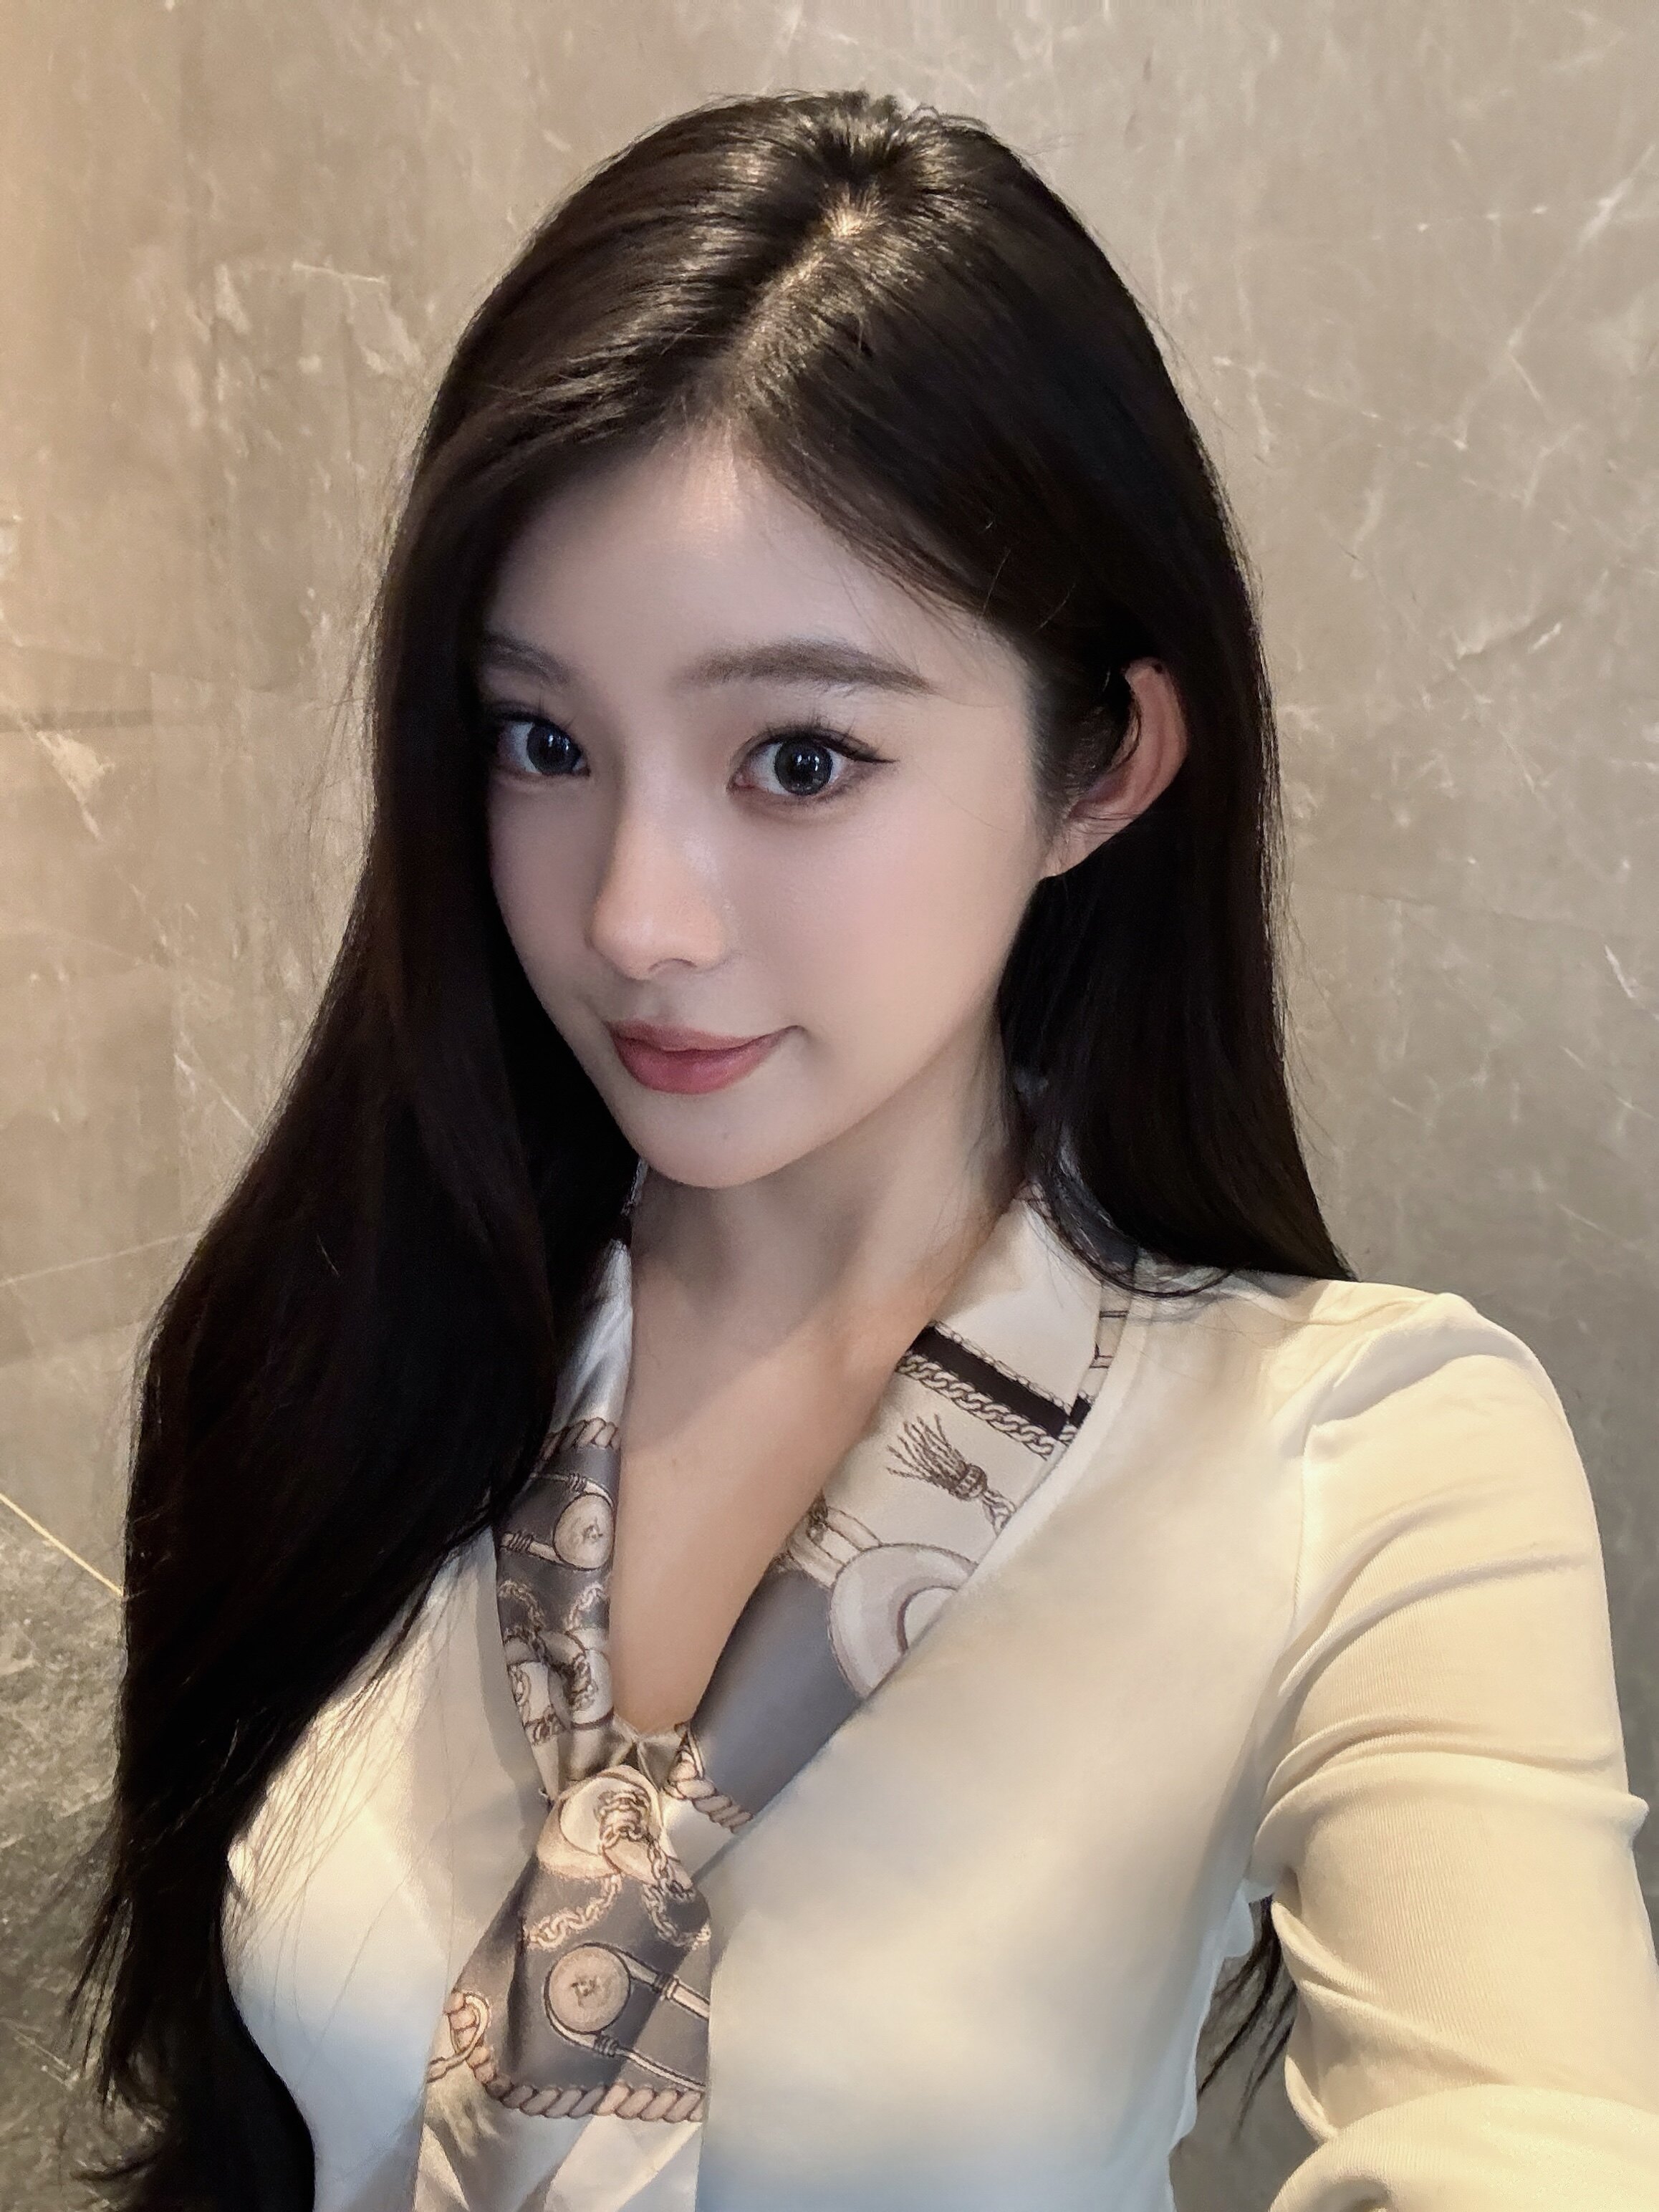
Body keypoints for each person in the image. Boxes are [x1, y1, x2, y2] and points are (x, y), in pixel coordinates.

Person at [81, 87, 1659, 2212]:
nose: (636, 914)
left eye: (802, 758)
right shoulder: (364, 1321)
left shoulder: (1363, 1467)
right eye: (544, 739)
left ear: (1100, 767)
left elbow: (1524, 2127)